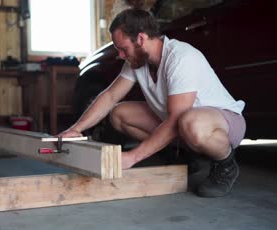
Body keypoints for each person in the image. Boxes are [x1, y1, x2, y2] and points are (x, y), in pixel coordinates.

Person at [59, 9, 246, 198]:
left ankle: (225, 165)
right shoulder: (137, 61)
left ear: (140, 39)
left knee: (190, 121)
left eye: (123, 48)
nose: (121, 55)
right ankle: (182, 157)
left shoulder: (180, 57)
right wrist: (77, 129)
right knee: (120, 114)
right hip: (183, 125)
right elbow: (110, 96)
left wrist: (133, 157)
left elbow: (175, 120)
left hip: (222, 123)